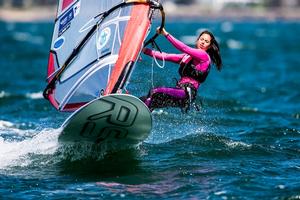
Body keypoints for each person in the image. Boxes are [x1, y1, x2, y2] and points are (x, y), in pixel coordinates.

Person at [141, 28, 222, 112]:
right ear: (197, 40)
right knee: (148, 100)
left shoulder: (203, 56)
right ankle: (139, 114)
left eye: (206, 41)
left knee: (154, 92)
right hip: (179, 92)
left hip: (186, 93)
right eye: (201, 39)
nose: (203, 42)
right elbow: (166, 56)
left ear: (209, 46)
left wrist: (166, 34)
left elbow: (184, 48)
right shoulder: (186, 57)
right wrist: (145, 50)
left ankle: (141, 114)